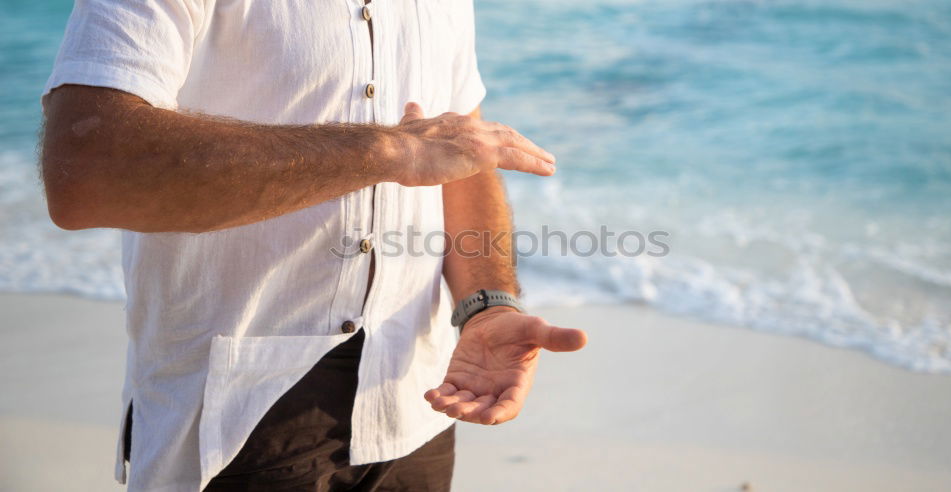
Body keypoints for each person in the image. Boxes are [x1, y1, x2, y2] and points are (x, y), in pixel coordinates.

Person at [39, 0, 588, 490]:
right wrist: (391, 150)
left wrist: (485, 305)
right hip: (237, 414)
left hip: (418, 399)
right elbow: (86, 171)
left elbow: (463, 147)